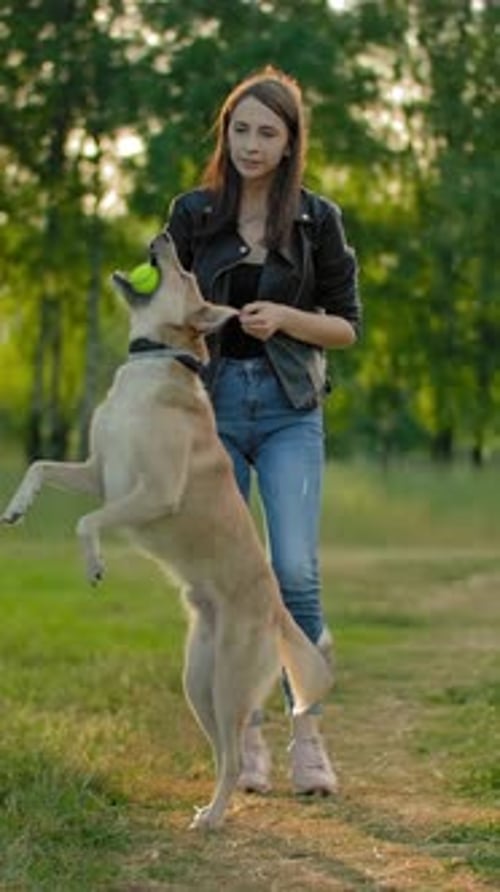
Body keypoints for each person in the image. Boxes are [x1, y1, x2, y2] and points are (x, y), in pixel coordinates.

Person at [162, 66, 361, 796]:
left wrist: (286, 319)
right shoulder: (190, 214)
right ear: (227, 134)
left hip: (288, 412)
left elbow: (345, 327)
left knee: (296, 574)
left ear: (289, 143)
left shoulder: (317, 220)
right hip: (208, 415)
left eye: (266, 132)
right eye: (239, 129)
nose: (250, 144)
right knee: (224, 582)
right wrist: (199, 320)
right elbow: (160, 308)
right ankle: (244, 741)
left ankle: (308, 738)